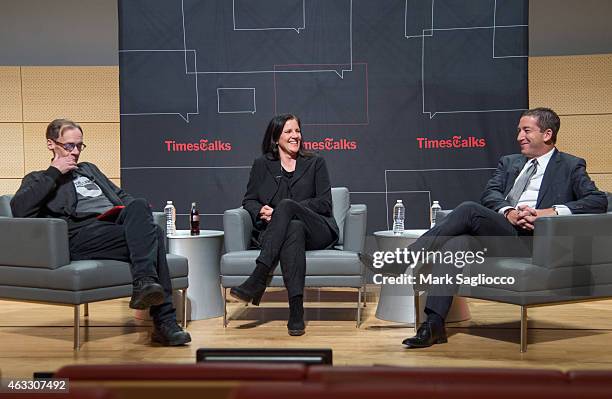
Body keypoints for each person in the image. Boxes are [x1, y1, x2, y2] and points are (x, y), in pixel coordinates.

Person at [399, 107, 608, 348]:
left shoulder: (570, 166)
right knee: (456, 243)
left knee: (467, 209)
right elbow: (490, 194)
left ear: (547, 134)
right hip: (505, 232)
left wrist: (547, 213)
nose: (519, 136)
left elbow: (597, 200)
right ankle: (434, 325)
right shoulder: (510, 162)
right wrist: (508, 212)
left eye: (526, 130)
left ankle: (406, 257)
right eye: (519, 130)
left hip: (536, 240)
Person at [11, 119, 191, 346]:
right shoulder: (39, 177)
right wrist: (54, 172)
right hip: (81, 234)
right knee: (153, 234)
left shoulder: (89, 169)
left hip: (113, 226)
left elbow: (122, 197)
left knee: (140, 207)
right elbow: (20, 208)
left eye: (79, 146)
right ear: (51, 144)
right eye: (69, 146)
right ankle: (164, 322)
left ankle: (146, 285)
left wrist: (138, 212)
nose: (75, 152)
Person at [230, 114, 339, 336]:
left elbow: (324, 203)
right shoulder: (262, 165)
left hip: (317, 230)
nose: (295, 136)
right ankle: (296, 311)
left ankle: (257, 277)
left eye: (297, 131)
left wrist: (283, 210)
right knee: (293, 228)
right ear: (275, 136)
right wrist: (261, 210)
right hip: (285, 233)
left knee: (288, 207)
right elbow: (249, 200)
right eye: (288, 131)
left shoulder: (315, 162)